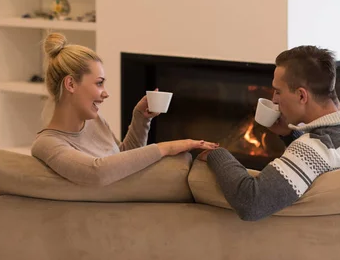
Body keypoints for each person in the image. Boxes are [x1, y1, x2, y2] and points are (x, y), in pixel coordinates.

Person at [199, 45, 340, 221]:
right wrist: (289, 134)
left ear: (301, 95)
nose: (274, 99)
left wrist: (217, 153)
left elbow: (251, 203)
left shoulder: (313, 148)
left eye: (278, 91)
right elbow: (325, 164)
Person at [31, 33, 218, 186]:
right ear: (71, 84)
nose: (105, 93)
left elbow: (121, 160)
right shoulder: (48, 144)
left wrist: (140, 119)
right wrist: (167, 147)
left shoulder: (94, 121)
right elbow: (97, 172)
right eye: (99, 83)